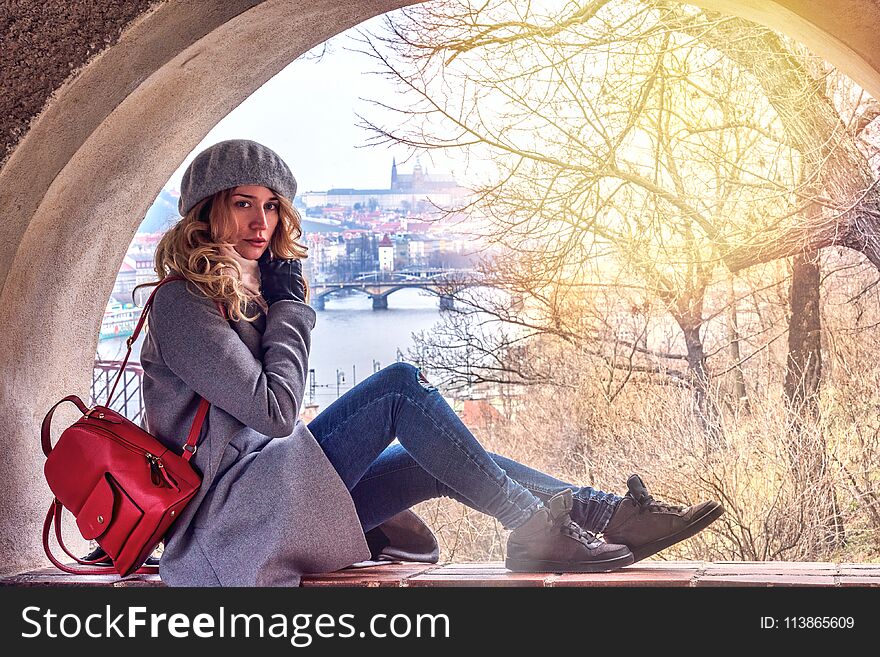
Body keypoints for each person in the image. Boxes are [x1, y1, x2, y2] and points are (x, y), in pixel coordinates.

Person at [128, 139, 723, 586]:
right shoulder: (183, 302)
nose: (262, 223)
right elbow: (277, 411)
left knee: (431, 453)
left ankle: (606, 514)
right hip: (233, 520)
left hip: (272, 504)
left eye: (273, 207)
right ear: (205, 212)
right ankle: (536, 527)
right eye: (242, 205)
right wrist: (290, 308)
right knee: (400, 390)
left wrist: (277, 303)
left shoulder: (246, 293)